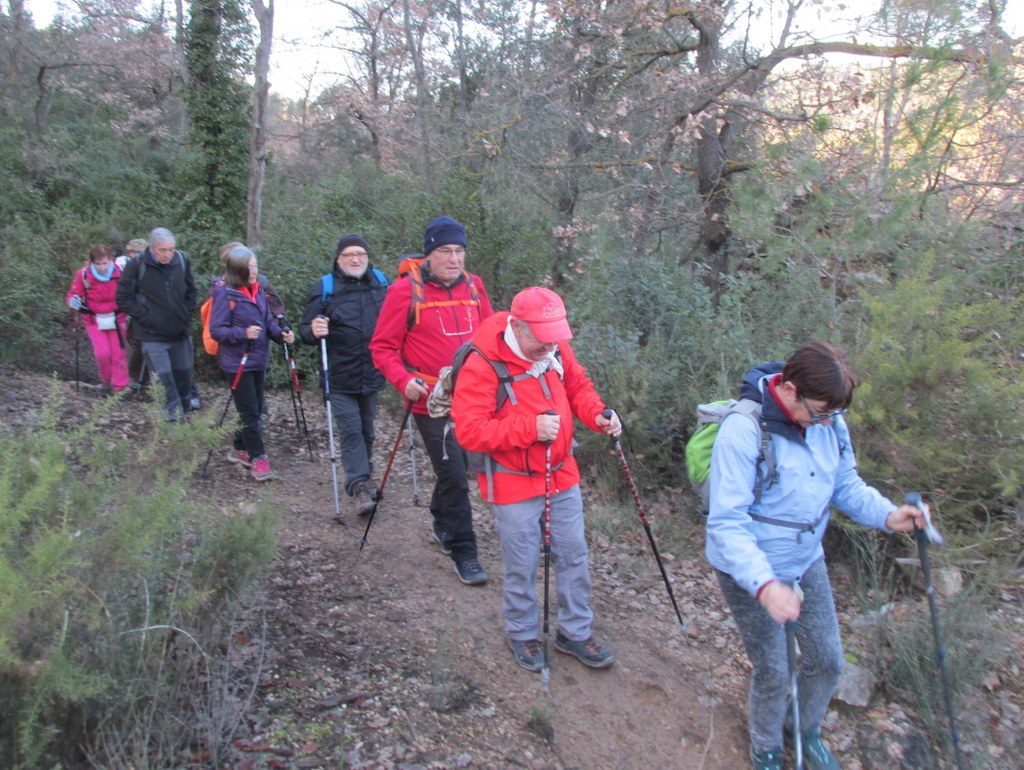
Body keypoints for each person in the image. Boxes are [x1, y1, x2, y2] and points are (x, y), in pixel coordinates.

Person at [704, 341, 926, 770]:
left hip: (806, 559)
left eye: (832, 413)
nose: (825, 421)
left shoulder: (830, 422)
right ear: (788, 390)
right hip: (749, 568)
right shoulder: (743, 430)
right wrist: (765, 586)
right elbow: (726, 524)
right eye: (819, 411)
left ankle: (803, 728)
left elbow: (846, 485)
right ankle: (766, 745)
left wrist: (888, 515)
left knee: (828, 660)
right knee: (773, 667)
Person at [451, 286, 622, 671]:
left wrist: (597, 416)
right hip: (511, 480)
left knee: (574, 553)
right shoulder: (482, 363)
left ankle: (575, 632)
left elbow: (577, 386)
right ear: (517, 326)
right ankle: (522, 632)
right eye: (542, 339)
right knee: (522, 560)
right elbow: (470, 431)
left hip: (561, 471)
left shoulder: (556, 347)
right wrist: (529, 428)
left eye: (555, 336)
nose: (550, 346)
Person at [370, 215, 494, 586]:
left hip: (474, 398)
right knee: (454, 474)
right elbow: (382, 347)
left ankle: (442, 520)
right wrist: (403, 380)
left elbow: (491, 336)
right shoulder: (404, 292)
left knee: (458, 472)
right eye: (445, 251)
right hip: (430, 400)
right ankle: (464, 550)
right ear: (429, 254)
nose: (454, 259)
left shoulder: (475, 287)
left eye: (459, 251)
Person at [298, 233, 389, 516]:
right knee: (351, 431)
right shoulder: (326, 287)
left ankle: (365, 477)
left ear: (367, 256)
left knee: (367, 431)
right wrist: (313, 331)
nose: (355, 259)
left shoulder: (381, 283)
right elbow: (304, 330)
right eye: (349, 254)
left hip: (372, 372)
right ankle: (359, 485)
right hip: (339, 376)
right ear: (338, 258)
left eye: (360, 254)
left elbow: (396, 320)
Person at [209, 245, 293, 481]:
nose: (255, 270)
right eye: (250, 266)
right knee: (250, 414)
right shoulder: (224, 293)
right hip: (237, 363)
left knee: (253, 409)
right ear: (238, 269)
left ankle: (239, 449)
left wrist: (281, 335)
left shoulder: (257, 291)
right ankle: (258, 459)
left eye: (255, 265)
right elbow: (217, 330)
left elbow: (268, 321)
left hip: (257, 359)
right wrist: (243, 333)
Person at [115, 227, 197, 421]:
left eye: (171, 249)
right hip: (152, 335)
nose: (168, 254)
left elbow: (191, 290)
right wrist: (146, 317)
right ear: (152, 248)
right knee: (164, 379)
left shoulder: (182, 260)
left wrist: (186, 313)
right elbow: (123, 298)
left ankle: (184, 413)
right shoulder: (137, 265)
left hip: (180, 332)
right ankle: (172, 422)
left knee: (184, 376)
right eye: (163, 250)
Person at [66, 244, 129, 394]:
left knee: (118, 354)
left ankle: (120, 388)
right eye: (98, 264)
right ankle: (106, 382)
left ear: (111, 261)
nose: (102, 268)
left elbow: (129, 292)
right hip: (94, 320)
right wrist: (73, 301)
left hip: (117, 318)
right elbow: (73, 294)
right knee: (102, 353)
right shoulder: (84, 275)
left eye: (105, 263)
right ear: (92, 262)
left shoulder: (120, 273)